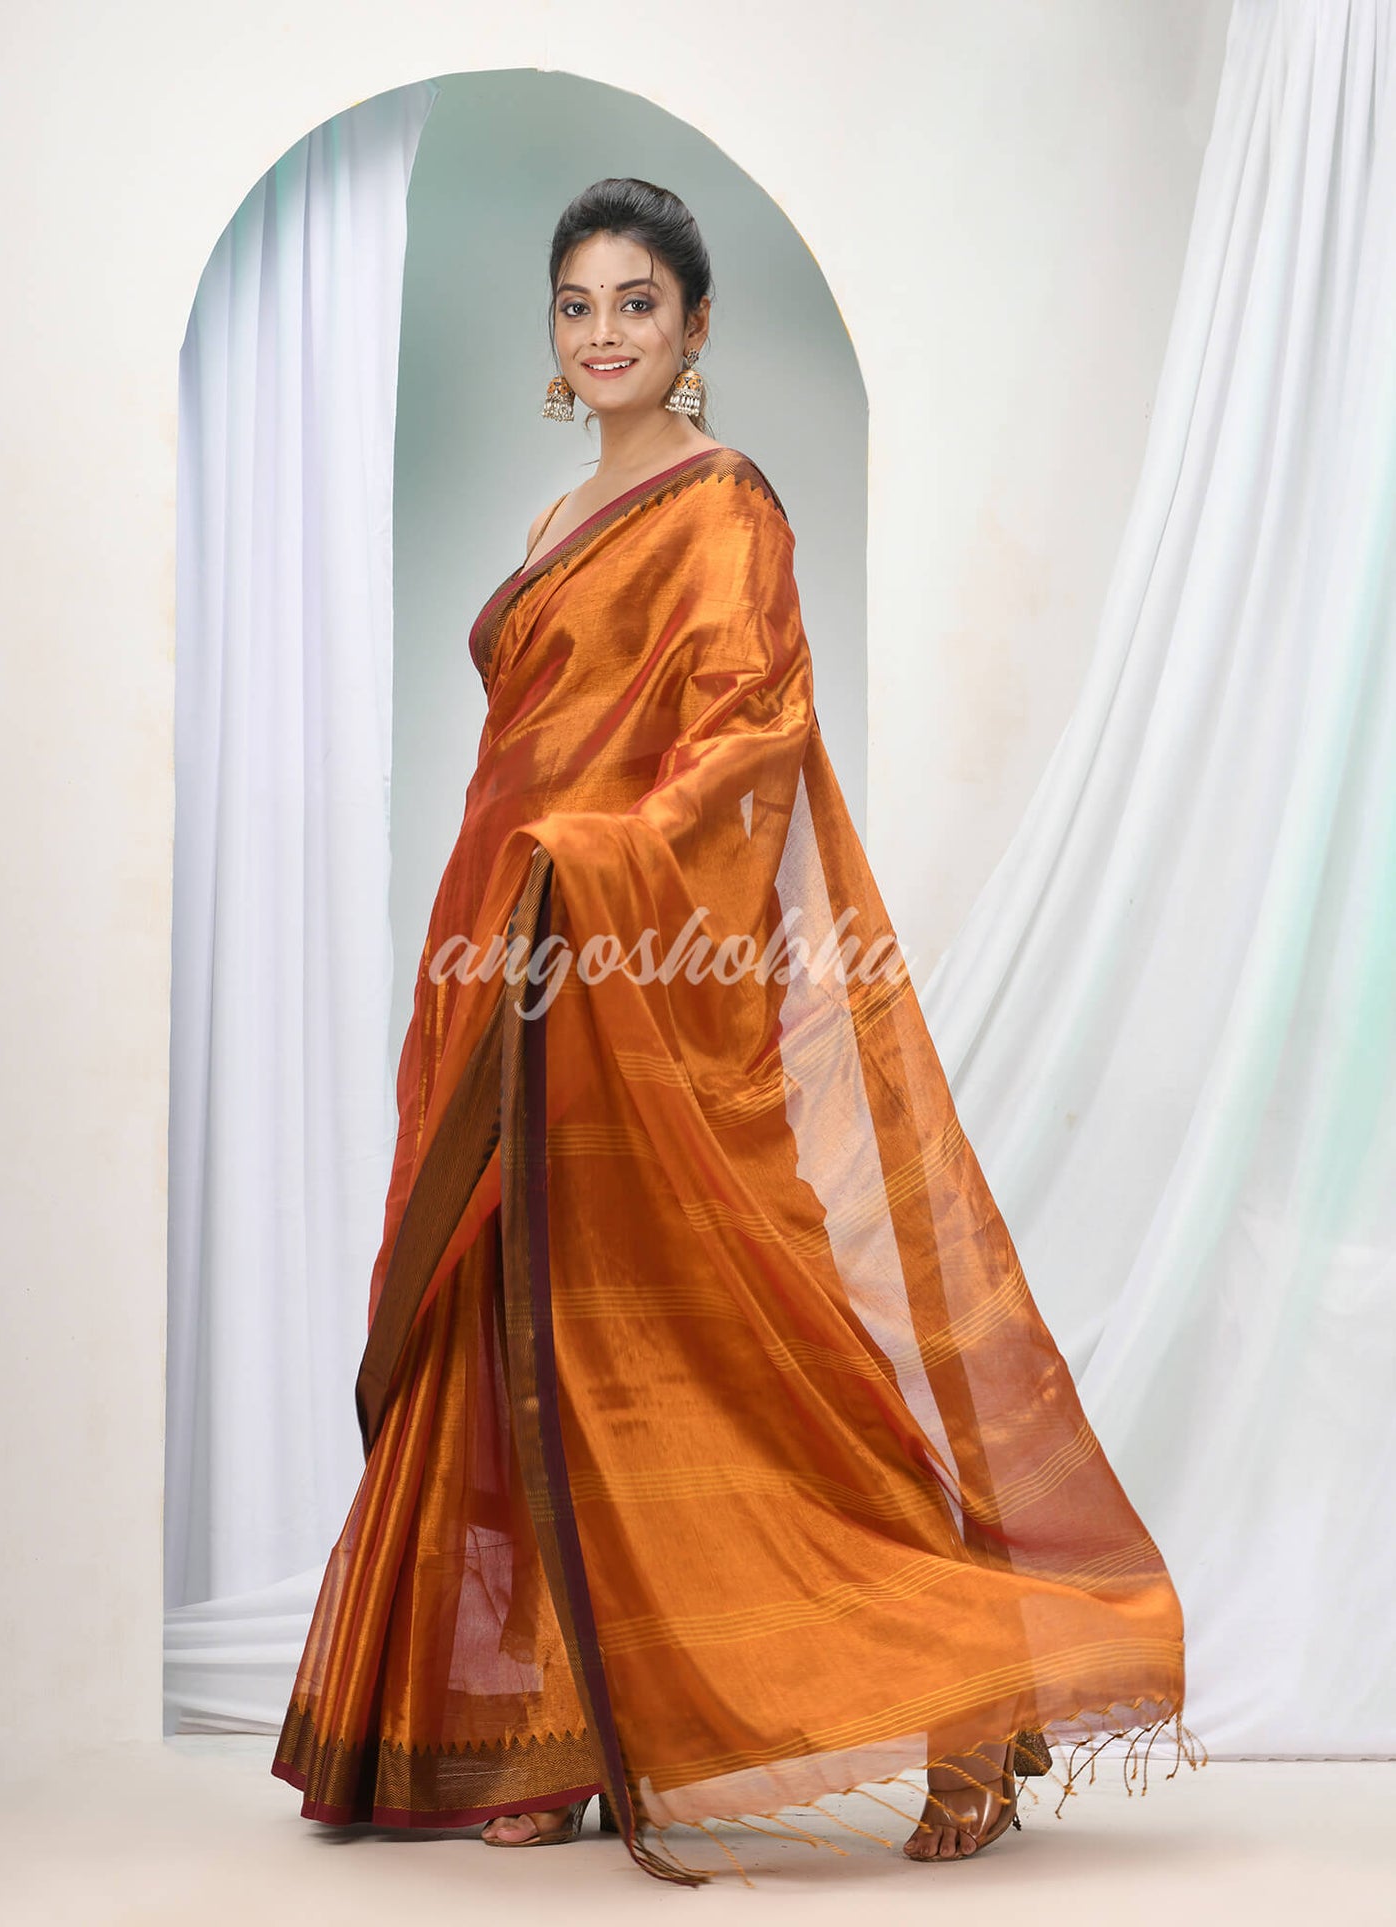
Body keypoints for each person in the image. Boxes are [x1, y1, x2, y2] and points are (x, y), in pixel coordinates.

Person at [271, 177, 1201, 1882]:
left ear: (694, 327)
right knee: (516, 1337)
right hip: (508, 970)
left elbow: (750, 739)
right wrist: (515, 904)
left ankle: (969, 1694)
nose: (604, 332)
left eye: (636, 302)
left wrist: (600, 859)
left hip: (636, 968)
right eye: (577, 304)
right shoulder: (556, 515)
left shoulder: (722, 507)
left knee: (730, 1354)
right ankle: (555, 1731)